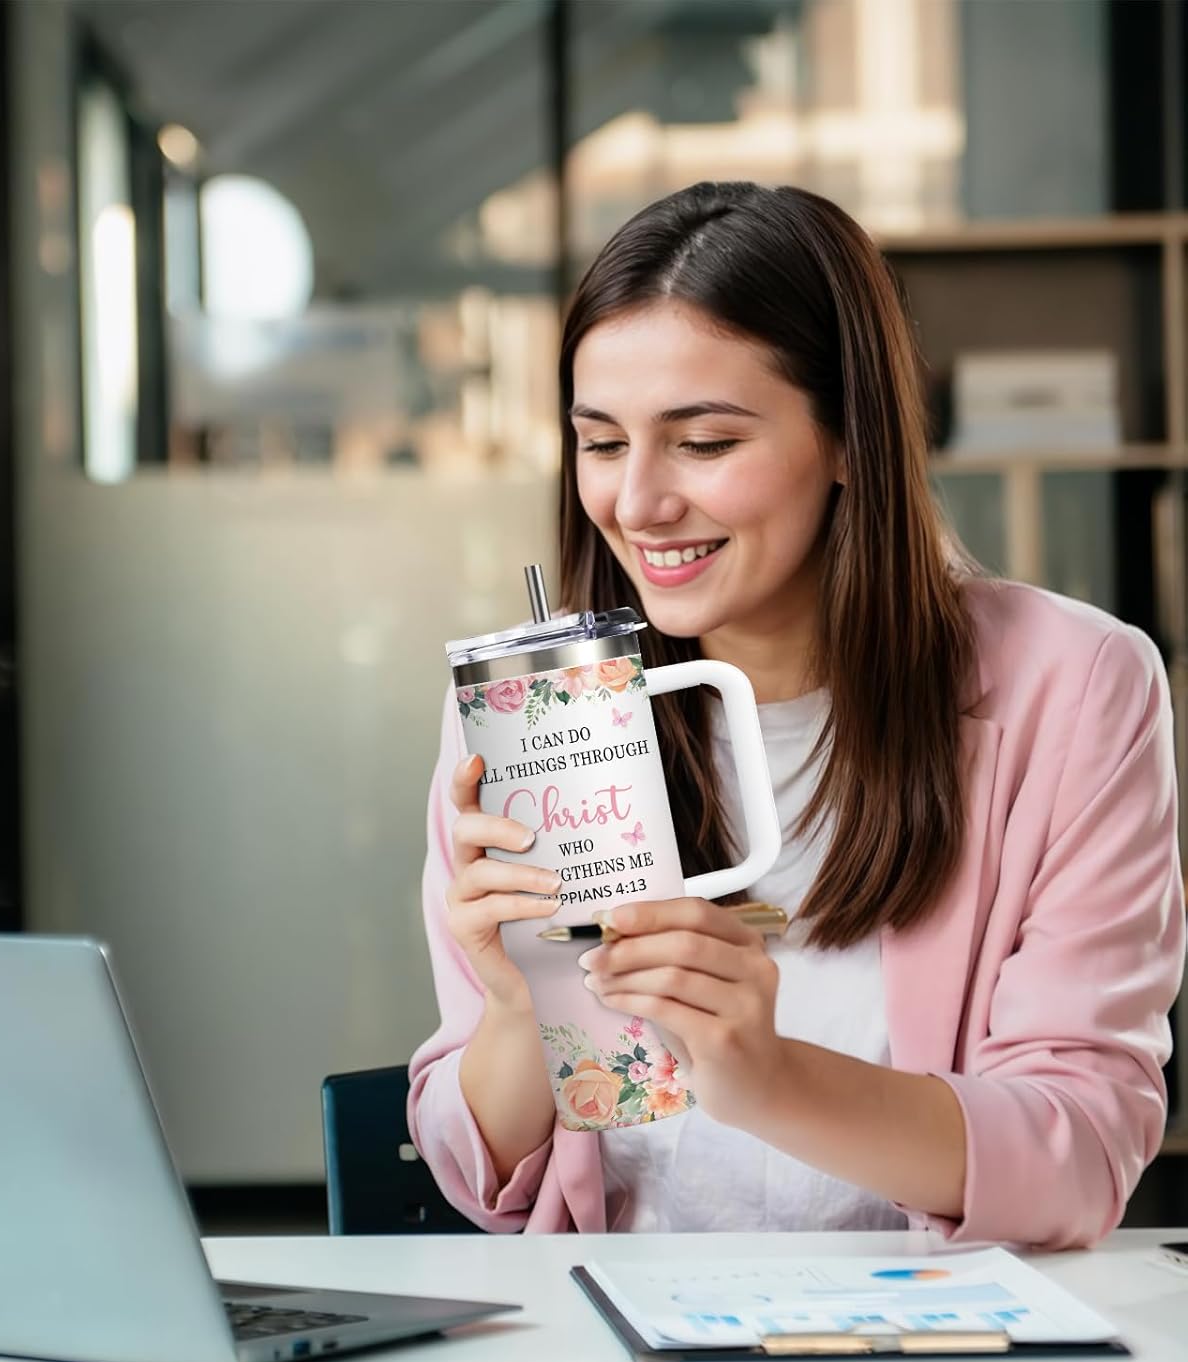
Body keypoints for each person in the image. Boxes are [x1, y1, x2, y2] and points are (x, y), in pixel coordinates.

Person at [408, 181, 1184, 1250]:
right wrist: (513, 1010)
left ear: (850, 440)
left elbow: (1082, 1152)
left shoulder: (1077, 685)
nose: (637, 503)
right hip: (618, 1353)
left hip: (933, 1353)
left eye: (706, 442)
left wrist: (764, 1075)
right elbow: (477, 1176)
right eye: (601, 442)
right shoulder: (537, 714)